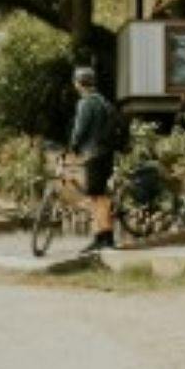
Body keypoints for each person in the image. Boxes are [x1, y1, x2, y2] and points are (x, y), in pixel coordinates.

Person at [69, 67, 118, 254]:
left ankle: (105, 238)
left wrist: (73, 147)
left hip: (94, 154)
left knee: (96, 197)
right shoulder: (103, 101)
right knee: (99, 195)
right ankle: (102, 237)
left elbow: (80, 130)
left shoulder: (86, 103)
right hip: (107, 153)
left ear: (78, 83)